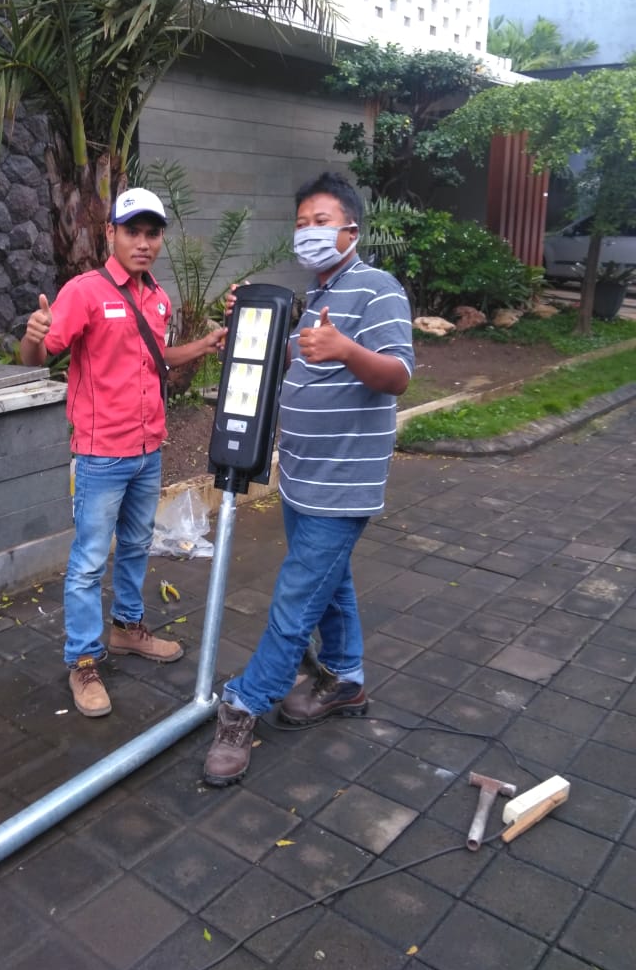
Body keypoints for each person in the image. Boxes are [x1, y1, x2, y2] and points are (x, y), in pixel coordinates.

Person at [203, 171, 414, 785]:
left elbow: (399, 375)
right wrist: (251, 321)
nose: (308, 233)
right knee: (329, 582)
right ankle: (345, 679)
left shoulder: (377, 289)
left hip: (341, 483)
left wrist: (347, 350)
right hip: (301, 474)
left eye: (321, 222)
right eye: (301, 223)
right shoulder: (316, 294)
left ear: (352, 229)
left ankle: (244, 705)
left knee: (296, 601)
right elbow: (297, 361)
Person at [21, 187, 226, 718]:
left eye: (152, 233)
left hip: (147, 447)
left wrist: (204, 345)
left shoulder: (156, 297)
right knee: (89, 562)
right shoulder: (85, 292)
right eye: (132, 231)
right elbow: (36, 357)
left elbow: (158, 357)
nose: (143, 242)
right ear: (110, 233)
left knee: (136, 544)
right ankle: (83, 660)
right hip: (100, 454)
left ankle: (128, 628)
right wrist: (33, 335)